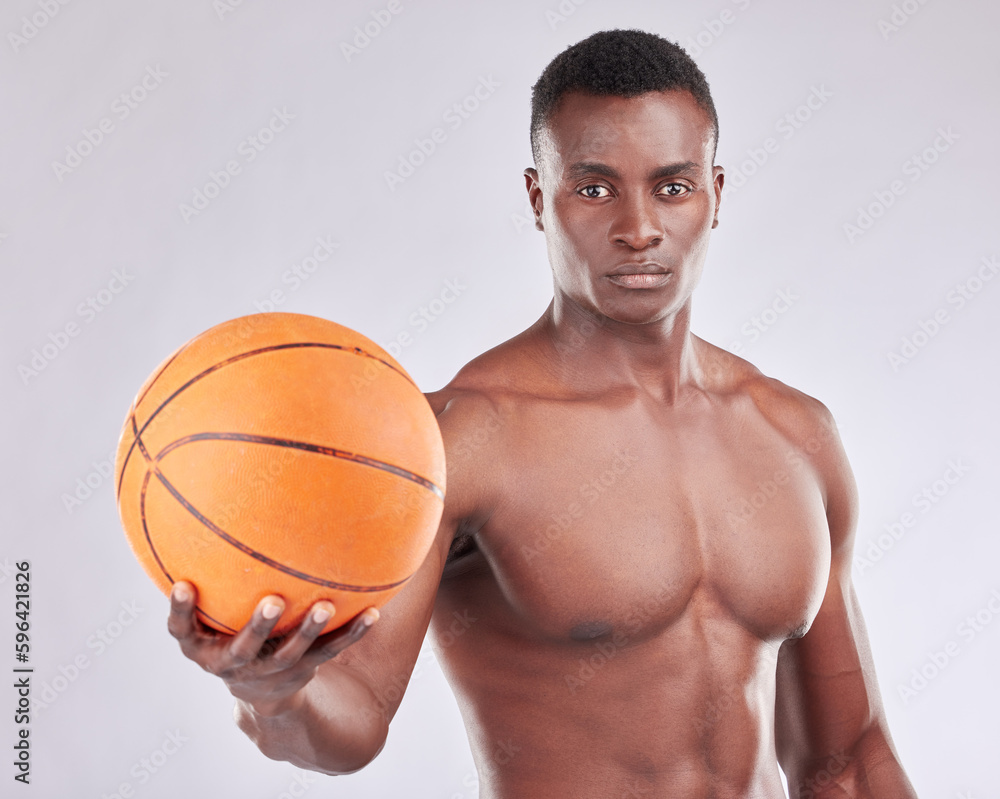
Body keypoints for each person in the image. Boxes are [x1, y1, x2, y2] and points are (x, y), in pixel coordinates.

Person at [167, 29, 918, 798]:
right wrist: (271, 693)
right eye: (594, 188)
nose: (639, 228)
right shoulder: (460, 440)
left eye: (672, 186)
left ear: (716, 194)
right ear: (538, 198)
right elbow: (350, 722)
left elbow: (849, 762)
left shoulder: (796, 436)